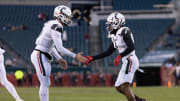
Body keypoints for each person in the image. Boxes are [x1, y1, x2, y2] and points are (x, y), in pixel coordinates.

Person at [84, 12, 146, 101]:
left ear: (117, 23)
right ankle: (139, 100)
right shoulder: (116, 35)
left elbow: (131, 47)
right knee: (118, 87)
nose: (109, 27)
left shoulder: (124, 30)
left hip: (130, 59)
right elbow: (108, 52)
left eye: (110, 24)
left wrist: (119, 56)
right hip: (126, 60)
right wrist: (93, 58)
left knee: (125, 86)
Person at [31, 5, 87, 101]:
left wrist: (59, 59)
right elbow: (60, 48)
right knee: (45, 83)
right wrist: (75, 56)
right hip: (40, 54)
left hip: (42, 54)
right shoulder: (57, 26)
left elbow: (48, 45)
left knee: (46, 83)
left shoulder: (51, 23)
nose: (69, 19)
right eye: (68, 16)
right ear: (61, 15)